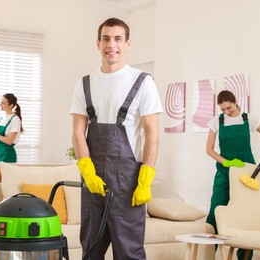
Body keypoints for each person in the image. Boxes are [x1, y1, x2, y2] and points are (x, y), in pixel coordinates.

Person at [69, 17, 163, 260]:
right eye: (106, 39)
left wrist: (146, 177)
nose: (112, 44)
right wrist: (87, 170)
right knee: (91, 249)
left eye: (118, 39)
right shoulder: (84, 84)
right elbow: (78, 130)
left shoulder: (142, 82)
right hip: (93, 180)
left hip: (129, 181)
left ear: (128, 43)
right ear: (98, 44)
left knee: (128, 252)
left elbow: (152, 133)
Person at [206, 90, 260, 260]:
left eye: (229, 108)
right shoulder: (216, 121)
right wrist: (225, 162)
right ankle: (207, 254)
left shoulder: (249, 119)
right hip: (224, 173)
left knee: (245, 215)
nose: (226, 112)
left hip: (247, 173)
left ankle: (244, 257)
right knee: (215, 212)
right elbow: (209, 150)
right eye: (223, 109)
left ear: (235, 101)